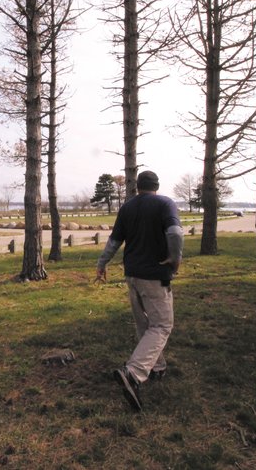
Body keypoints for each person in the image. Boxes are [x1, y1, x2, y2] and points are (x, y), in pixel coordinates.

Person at [96, 170, 184, 412]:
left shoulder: (127, 208)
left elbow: (114, 241)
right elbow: (175, 233)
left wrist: (101, 264)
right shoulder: (165, 203)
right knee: (162, 325)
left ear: (137, 187)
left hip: (132, 275)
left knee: (144, 324)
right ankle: (133, 373)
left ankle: (157, 366)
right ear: (156, 185)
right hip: (154, 276)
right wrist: (175, 259)